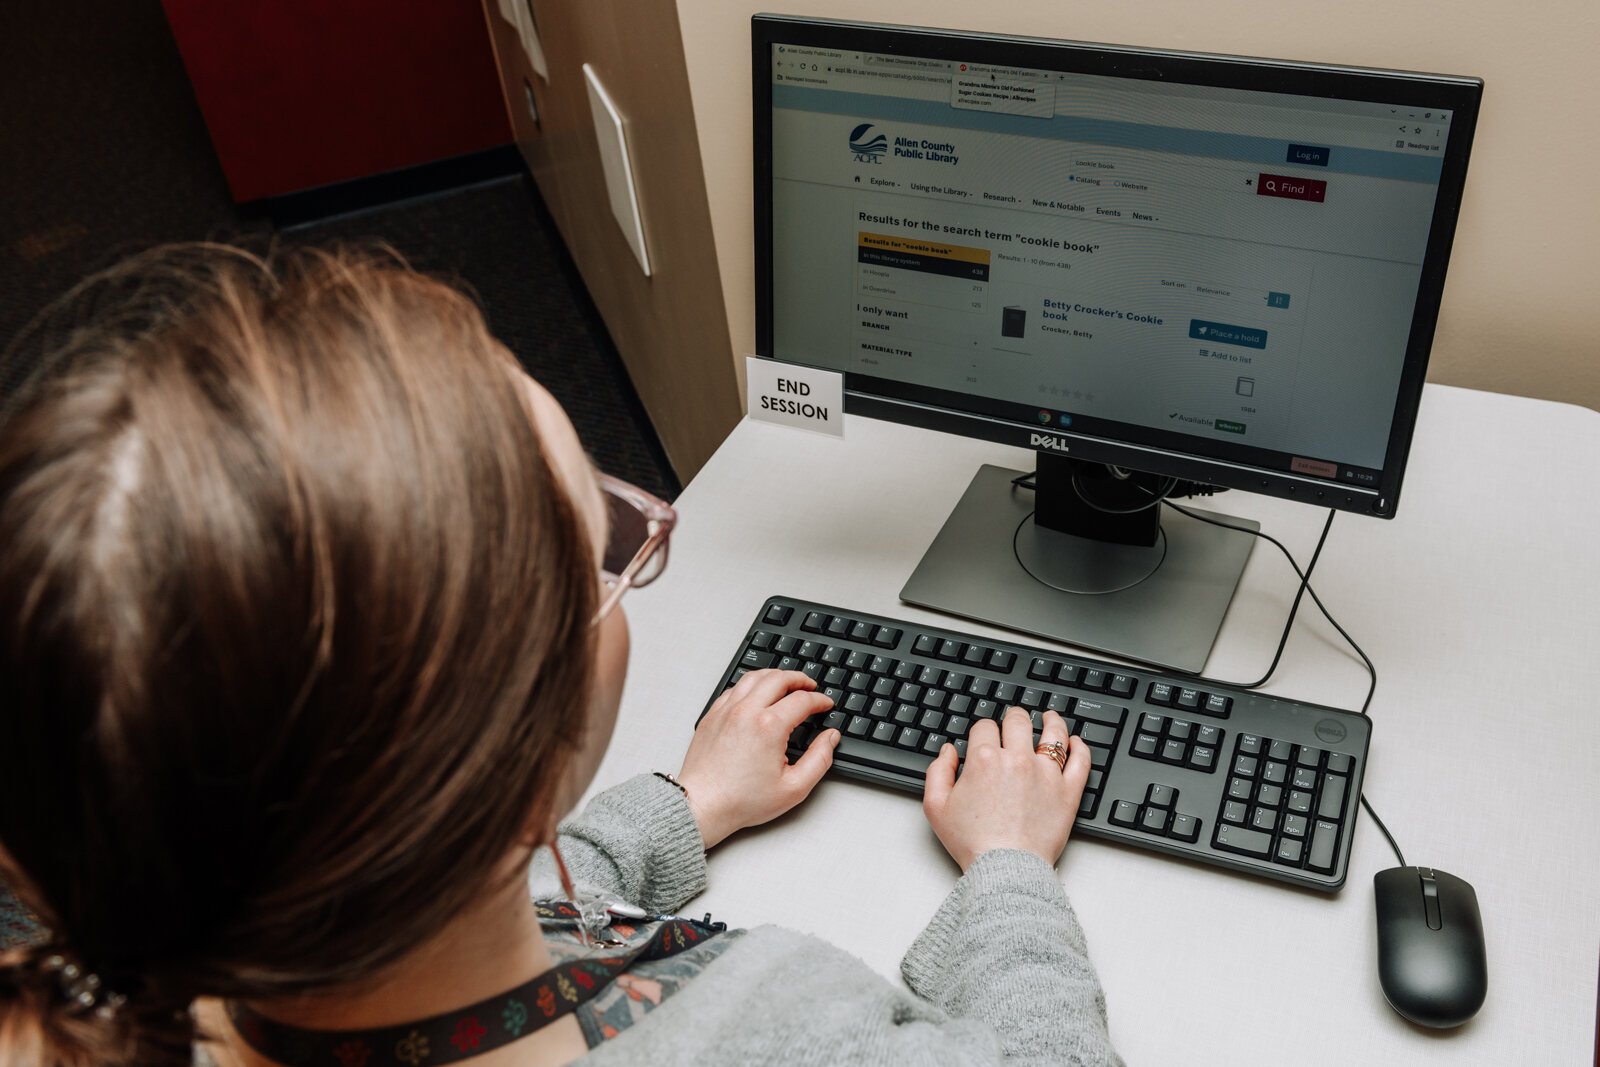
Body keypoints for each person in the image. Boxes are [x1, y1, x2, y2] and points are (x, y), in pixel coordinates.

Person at [0, 245, 1121, 1066]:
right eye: (603, 553)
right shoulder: (775, 1022)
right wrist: (1009, 866)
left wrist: (687, 802)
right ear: (517, 763)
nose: (635, 548)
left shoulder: (166, 981)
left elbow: (491, 904)